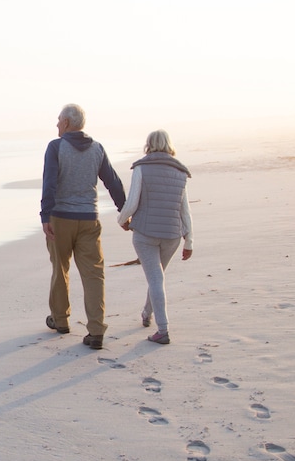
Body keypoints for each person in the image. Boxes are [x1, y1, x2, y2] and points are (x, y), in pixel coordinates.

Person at [40, 103, 126, 349]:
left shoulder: (56, 147)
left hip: (60, 219)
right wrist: (125, 211)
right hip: (89, 218)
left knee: (60, 269)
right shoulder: (97, 148)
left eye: (58, 119)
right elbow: (113, 182)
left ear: (67, 122)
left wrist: (45, 216)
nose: (56, 123)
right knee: (93, 274)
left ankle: (60, 320)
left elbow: (49, 183)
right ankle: (96, 330)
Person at [117, 129, 193, 345]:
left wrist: (122, 220)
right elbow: (185, 210)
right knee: (157, 276)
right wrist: (189, 240)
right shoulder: (180, 172)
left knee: (156, 278)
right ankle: (146, 314)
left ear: (148, 144)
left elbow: (132, 202)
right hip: (172, 235)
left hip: (145, 234)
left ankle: (163, 330)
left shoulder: (141, 168)